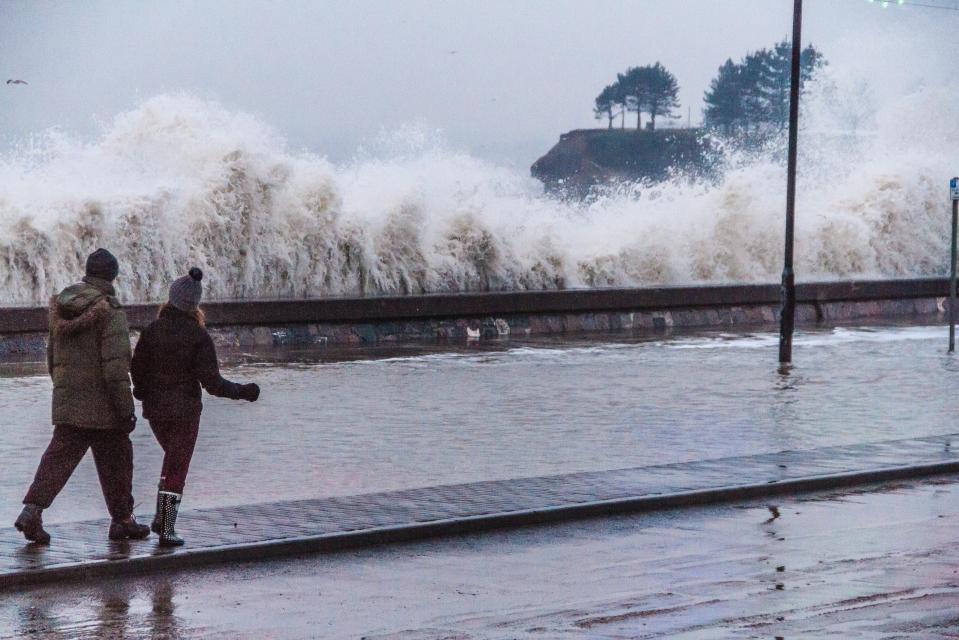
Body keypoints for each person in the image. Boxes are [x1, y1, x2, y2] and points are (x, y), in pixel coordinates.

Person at [15, 248, 150, 544]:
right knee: (117, 461)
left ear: (87, 273)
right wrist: (126, 409)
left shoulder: (62, 307)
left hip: (69, 402)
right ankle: (123, 520)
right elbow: (115, 368)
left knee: (56, 462)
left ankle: (32, 512)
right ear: (112, 276)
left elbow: (52, 359)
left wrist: (66, 390)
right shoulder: (110, 311)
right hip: (104, 408)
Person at [131, 267, 260, 546]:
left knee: (172, 461)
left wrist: (142, 395)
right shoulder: (197, 336)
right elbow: (212, 383)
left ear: (170, 299)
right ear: (194, 305)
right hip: (185, 413)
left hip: (155, 412)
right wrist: (244, 392)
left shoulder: (151, 331)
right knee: (177, 466)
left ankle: (160, 519)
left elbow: (137, 369)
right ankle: (166, 528)